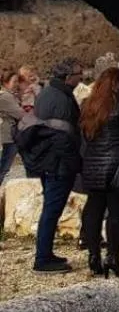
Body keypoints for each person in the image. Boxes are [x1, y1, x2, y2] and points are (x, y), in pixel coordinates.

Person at [77, 66, 119, 278]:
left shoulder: (87, 105)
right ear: (118, 83)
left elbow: (84, 136)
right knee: (115, 214)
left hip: (93, 165)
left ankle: (94, 255)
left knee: (93, 210)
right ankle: (113, 257)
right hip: (116, 165)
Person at [23, 58, 84, 273]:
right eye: (79, 75)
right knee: (51, 210)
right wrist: (74, 163)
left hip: (47, 160)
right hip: (57, 164)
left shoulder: (49, 93)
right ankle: (42, 259)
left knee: (51, 209)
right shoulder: (62, 101)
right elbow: (63, 139)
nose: (81, 78)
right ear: (68, 77)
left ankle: (46, 253)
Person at [0, 67, 22, 187]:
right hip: (8, 136)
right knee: (4, 167)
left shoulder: (9, 95)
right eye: (14, 82)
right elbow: (20, 114)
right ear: (5, 83)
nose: (16, 84)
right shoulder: (6, 97)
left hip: (11, 135)